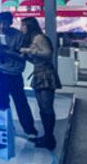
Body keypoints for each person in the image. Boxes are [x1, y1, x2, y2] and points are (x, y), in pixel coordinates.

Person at [0, 11, 38, 138]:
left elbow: (22, 57)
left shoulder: (19, 36)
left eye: (5, 23)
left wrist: (5, 50)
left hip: (15, 74)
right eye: (0, 23)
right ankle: (5, 128)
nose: (3, 26)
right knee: (1, 103)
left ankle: (30, 129)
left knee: (21, 102)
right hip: (1, 73)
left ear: (11, 22)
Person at [20, 17, 60, 150]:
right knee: (43, 107)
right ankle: (47, 136)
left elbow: (48, 53)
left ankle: (49, 137)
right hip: (40, 73)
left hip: (45, 74)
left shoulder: (39, 38)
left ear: (29, 26)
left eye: (23, 26)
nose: (22, 29)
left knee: (46, 107)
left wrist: (29, 51)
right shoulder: (35, 39)